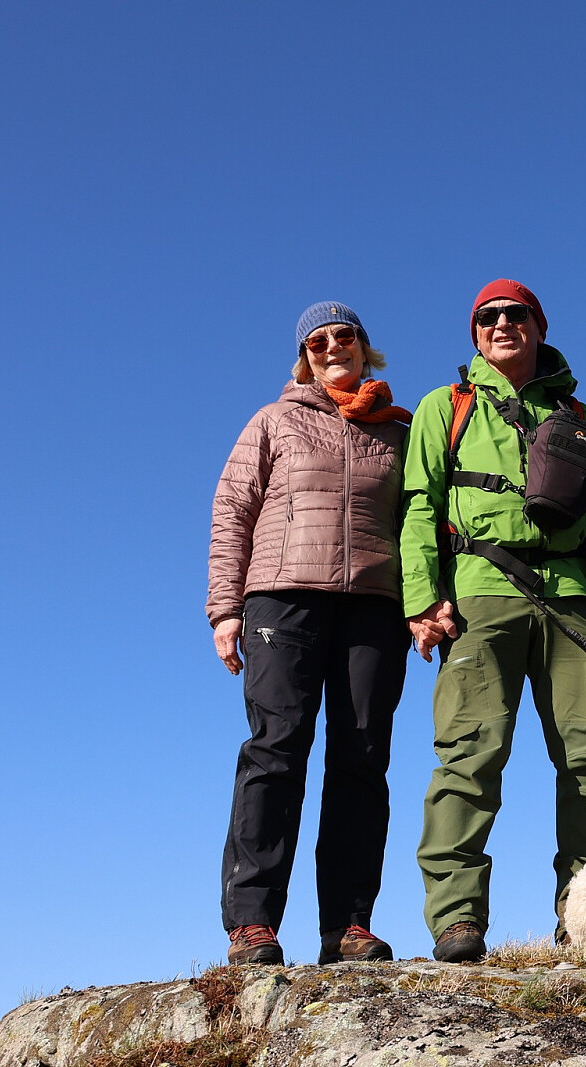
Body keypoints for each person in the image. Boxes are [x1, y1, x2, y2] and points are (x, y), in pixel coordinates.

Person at [402, 279, 586, 962]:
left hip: (572, 601)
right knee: (470, 752)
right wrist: (422, 599)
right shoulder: (444, 407)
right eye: (488, 317)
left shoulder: (580, 415)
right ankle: (457, 920)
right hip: (478, 594)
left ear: (538, 326)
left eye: (515, 314)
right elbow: (419, 506)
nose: (501, 324)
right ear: (475, 333)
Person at [207, 301, 412, 965]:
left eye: (343, 335)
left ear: (364, 347)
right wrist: (225, 608)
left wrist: (425, 603)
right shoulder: (273, 420)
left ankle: (348, 926)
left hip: (375, 606)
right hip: (281, 598)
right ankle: (251, 921)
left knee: (362, 759)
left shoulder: (401, 430)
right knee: (276, 749)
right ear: (304, 358)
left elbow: (423, 521)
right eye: (316, 341)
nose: (331, 347)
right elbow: (232, 510)